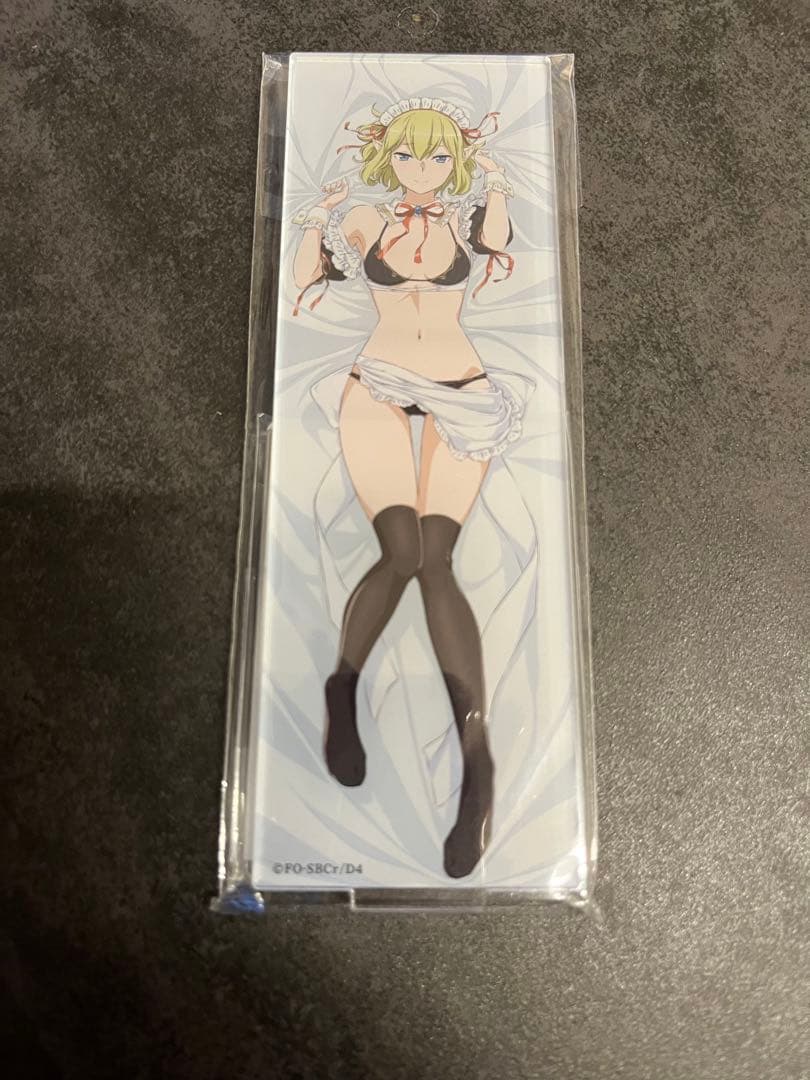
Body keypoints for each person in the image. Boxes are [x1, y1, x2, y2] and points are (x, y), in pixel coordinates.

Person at [290, 99, 522, 878]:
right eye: (408, 155)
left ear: (453, 161)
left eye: (437, 157)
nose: (422, 169)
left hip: (463, 389)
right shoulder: (363, 218)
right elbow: (304, 277)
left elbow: (497, 240)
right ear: (387, 158)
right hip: (381, 384)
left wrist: (496, 183)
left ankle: (477, 761)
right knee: (401, 549)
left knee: (437, 561)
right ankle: (344, 688)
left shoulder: (466, 215)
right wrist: (314, 220)